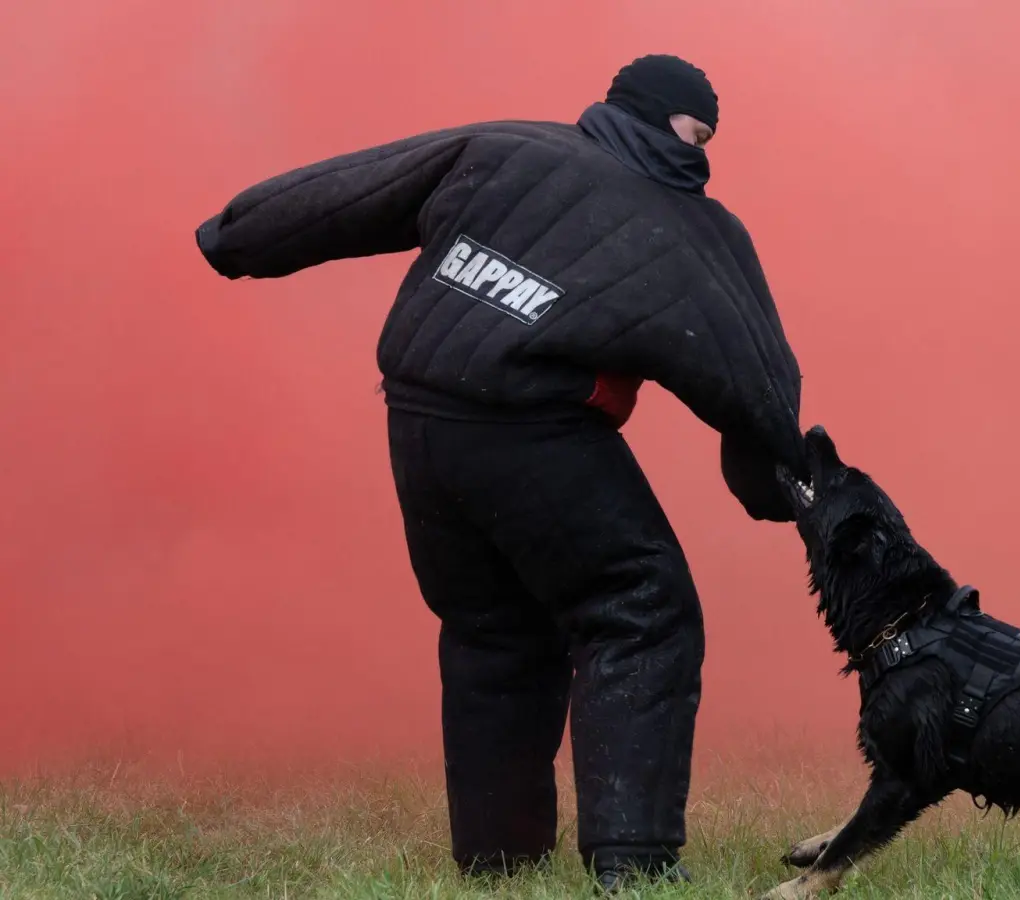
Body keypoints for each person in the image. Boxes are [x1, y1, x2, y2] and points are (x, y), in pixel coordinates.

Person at [194, 54, 804, 891]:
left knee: (494, 634)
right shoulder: (694, 228)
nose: (705, 148)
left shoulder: (506, 146)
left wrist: (235, 235)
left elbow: (354, 190)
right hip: (531, 430)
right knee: (641, 610)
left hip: (418, 424)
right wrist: (772, 490)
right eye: (704, 131)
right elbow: (759, 385)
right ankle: (633, 867)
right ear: (679, 127)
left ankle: (498, 865)